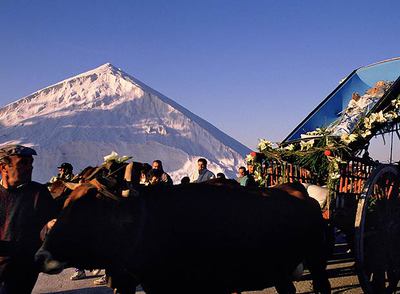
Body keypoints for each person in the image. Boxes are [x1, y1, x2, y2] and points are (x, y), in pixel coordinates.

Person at [0, 144, 57, 293]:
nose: (30, 167)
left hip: (23, 268)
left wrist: (49, 226)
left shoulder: (39, 193)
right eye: (23, 163)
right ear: (4, 167)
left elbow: (44, 230)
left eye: (31, 163)